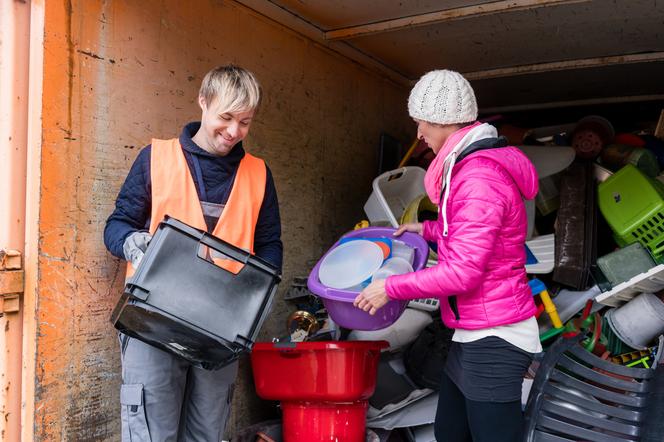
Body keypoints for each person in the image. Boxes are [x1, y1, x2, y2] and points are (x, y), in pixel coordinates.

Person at [354, 70, 541, 442]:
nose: (419, 134)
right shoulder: (469, 168)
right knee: (451, 432)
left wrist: (391, 287)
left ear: (443, 121)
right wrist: (426, 231)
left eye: (421, 123)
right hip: (472, 330)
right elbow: (475, 236)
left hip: (496, 335)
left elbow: (464, 272)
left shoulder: (478, 178)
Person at [104, 65, 282, 441]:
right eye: (226, 117)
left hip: (219, 330)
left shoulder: (259, 174)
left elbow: (270, 246)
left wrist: (256, 299)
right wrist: (131, 241)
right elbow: (117, 224)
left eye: (245, 122)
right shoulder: (155, 158)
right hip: (152, 321)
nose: (234, 132)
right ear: (203, 101)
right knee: (152, 434)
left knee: (207, 434)